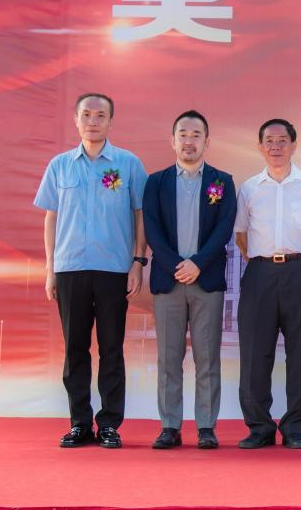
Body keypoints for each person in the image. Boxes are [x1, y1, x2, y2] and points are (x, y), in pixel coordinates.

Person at [35, 93, 147, 449]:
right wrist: (51, 268)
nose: (93, 121)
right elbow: (51, 217)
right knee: (75, 349)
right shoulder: (60, 165)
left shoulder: (128, 164)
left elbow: (140, 214)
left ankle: (110, 423)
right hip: (70, 268)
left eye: (100, 115)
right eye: (86, 115)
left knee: (111, 348)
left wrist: (138, 261)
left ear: (111, 121)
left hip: (114, 269)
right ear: (76, 120)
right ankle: (80, 423)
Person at [232, 119, 301, 450]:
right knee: (254, 352)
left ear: (294, 145)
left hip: (300, 271)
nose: (276, 146)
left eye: (282, 140)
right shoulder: (249, 188)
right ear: (260, 147)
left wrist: (298, 262)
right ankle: (259, 427)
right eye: (270, 141)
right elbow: (241, 235)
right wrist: (262, 261)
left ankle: (295, 428)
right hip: (260, 272)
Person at [142, 110, 236, 450]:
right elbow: (152, 228)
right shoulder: (156, 182)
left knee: (206, 357)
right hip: (168, 281)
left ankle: (206, 426)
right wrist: (176, 265)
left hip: (205, 280)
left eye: (196, 135)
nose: (189, 140)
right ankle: (170, 426)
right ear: (173, 140)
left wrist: (197, 264)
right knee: (169, 358)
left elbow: (224, 228)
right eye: (183, 134)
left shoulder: (221, 181)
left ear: (206, 141)